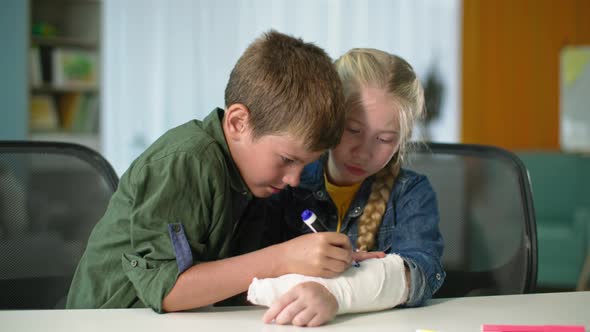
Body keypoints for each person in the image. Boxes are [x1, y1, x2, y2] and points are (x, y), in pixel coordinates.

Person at [66, 31, 379, 312]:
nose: (293, 179)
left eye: (306, 164)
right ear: (238, 123)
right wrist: (283, 257)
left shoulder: (256, 180)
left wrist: (327, 264)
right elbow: (166, 290)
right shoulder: (186, 162)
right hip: (112, 320)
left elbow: (235, 284)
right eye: (286, 159)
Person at [249, 48, 445, 326]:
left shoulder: (411, 193)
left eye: (385, 139)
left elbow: (420, 273)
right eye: (353, 130)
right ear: (329, 118)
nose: (364, 153)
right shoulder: (287, 182)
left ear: (403, 139)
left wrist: (335, 294)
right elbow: (251, 269)